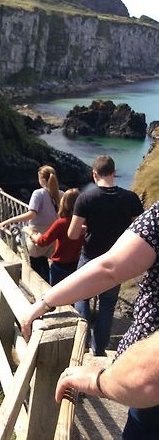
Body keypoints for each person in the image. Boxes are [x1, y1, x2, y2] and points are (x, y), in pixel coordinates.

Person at [21, 201, 158, 439]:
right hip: (144, 382)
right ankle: (98, 347)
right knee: (106, 310)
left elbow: (109, 267)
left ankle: (91, 346)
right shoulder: (130, 199)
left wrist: (98, 380)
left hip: (148, 387)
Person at [67, 155, 143, 356]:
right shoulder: (131, 198)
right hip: (116, 260)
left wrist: (85, 228)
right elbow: (139, 232)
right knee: (107, 306)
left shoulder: (85, 198)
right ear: (114, 173)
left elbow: (72, 234)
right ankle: (99, 349)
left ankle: (81, 343)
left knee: (80, 297)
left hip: (90, 257)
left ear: (94, 174)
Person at [56, 330, 159, 408]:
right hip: (138, 392)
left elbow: (143, 379)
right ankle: (99, 350)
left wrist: (99, 381)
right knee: (107, 305)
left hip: (143, 398)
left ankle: (92, 347)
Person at [0, 165, 63, 281]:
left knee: (38, 273)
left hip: (36, 236)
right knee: (50, 269)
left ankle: (41, 295)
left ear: (42, 180)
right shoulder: (61, 194)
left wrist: (9, 220)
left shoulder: (38, 193)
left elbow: (31, 214)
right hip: (54, 236)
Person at [29, 188, 84, 285]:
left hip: (60, 266)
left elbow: (43, 241)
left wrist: (34, 235)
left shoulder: (61, 223)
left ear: (64, 203)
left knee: (55, 294)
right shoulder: (83, 222)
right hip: (76, 264)